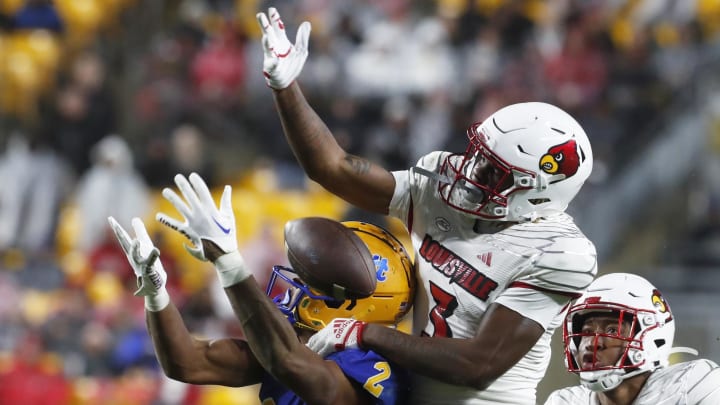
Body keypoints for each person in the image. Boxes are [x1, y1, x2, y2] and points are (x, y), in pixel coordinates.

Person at [256, 7, 598, 404]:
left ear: (536, 193)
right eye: (478, 154)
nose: (471, 170)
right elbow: (333, 169)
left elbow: (478, 365)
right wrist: (285, 85)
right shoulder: (442, 184)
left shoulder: (560, 254)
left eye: (494, 172)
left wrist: (364, 332)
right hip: (410, 393)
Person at [107, 172, 415, 405]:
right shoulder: (291, 343)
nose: (300, 284)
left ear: (357, 302)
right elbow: (188, 362)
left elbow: (292, 365)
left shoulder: (373, 361)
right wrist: (156, 292)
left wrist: (229, 263)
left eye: (316, 279)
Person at [545, 272, 720, 404]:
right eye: (587, 331)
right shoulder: (566, 401)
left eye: (612, 330)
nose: (591, 343)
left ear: (651, 335)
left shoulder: (692, 387)